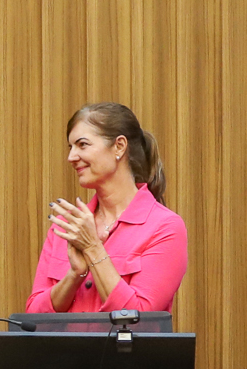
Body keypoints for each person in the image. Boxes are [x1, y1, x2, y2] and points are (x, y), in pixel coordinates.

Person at [27, 102, 185, 314]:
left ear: (119, 146)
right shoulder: (69, 226)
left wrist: (93, 248)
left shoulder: (164, 227)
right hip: (63, 349)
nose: (71, 157)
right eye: (71, 147)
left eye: (82, 145)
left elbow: (140, 317)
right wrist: (74, 276)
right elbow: (34, 317)